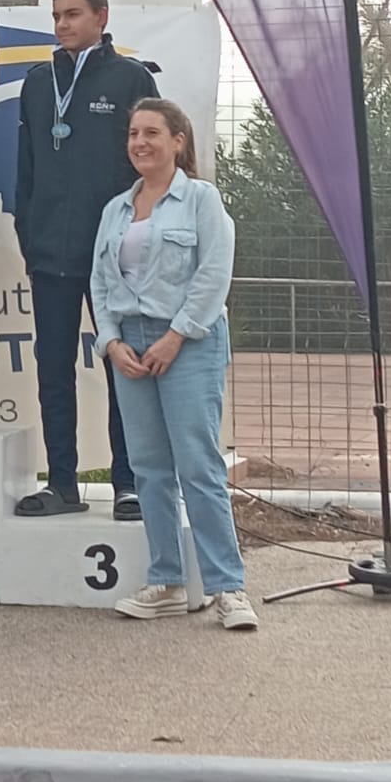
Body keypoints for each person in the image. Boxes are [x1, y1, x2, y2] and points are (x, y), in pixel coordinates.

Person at [90, 98, 258, 630]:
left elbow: (214, 274)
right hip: (130, 348)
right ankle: (165, 580)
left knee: (198, 465)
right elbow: (100, 283)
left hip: (190, 343)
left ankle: (228, 587)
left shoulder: (202, 200)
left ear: (178, 141)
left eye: (152, 133)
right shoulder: (115, 210)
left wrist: (175, 336)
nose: (139, 142)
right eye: (133, 133)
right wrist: (111, 343)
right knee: (148, 468)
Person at [13, 0, 159, 521]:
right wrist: (29, 235)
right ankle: (63, 484)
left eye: (73, 14)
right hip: (50, 252)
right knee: (53, 369)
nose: (62, 25)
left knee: (123, 368)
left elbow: (149, 165)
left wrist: (138, 235)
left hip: (114, 257)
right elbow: (25, 167)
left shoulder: (131, 79)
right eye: (56, 16)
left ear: (101, 16)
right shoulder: (37, 82)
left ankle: (129, 483)